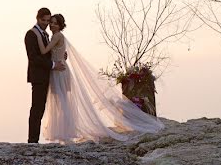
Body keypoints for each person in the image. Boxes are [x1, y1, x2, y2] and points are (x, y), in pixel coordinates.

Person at [32, 13, 164, 144]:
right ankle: (63, 133)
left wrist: (37, 35)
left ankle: (65, 133)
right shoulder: (54, 36)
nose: (52, 25)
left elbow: (43, 51)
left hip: (59, 72)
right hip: (57, 71)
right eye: (51, 22)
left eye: (55, 23)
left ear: (60, 25)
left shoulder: (57, 36)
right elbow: (53, 53)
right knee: (60, 102)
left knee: (63, 102)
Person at [24, 8, 66, 143]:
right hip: (38, 76)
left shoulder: (46, 34)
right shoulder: (31, 34)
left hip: (48, 75)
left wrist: (60, 55)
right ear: (37, 18)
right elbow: (34, 58)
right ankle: (32, 140)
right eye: (44, 20)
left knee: (45, 107)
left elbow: (49, 52)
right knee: (37, 108)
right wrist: (53, 65)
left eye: (48, 21)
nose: (46, 23)